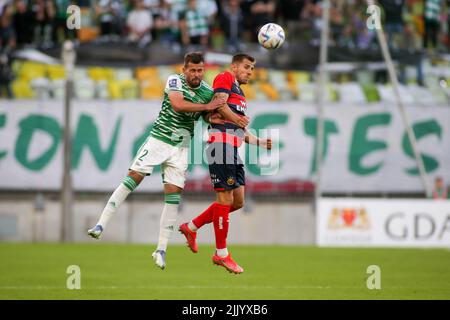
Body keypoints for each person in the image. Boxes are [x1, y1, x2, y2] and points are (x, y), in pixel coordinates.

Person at [87, 52, 226, 270]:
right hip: (159, 141)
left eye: (200, 70)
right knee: (134, 176)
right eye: (192, 70)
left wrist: (216, 114)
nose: (196, 74)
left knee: (173, 195)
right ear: (184, 70)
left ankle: (161, 249)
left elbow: (206, 117)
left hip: (181, 148)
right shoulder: (174, 80)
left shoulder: (207, 92)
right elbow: (178, 105)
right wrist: (208, 107)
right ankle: (100, 224)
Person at [178, 53, 272, 274]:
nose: (249, 71)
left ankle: (191, 227)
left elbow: (236, 125)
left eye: (252, 68)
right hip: (219, 146)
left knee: (237, 201)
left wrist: (258, 141)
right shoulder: (225, 78)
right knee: (224, 198)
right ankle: (221, 254)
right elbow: (219, 104)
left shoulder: (240, 94)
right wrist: (234, 117)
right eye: (246, 67)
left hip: (233, 148)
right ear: (234, 67)